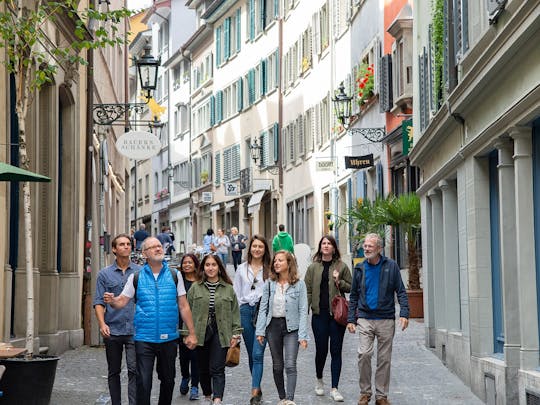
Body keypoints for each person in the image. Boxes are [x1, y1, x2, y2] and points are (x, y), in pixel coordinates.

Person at [104, 237, 198, 405]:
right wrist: (112, 301)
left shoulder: (175, 275)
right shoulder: (136, 277)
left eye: (159, 246)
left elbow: (183, 306)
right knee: (144, 383)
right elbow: (122, 301)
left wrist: (191, 333)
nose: (158, 249)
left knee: (168, 381)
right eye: (153, 247)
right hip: (144, 339)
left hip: (169, 338)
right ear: (144, 253)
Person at [347, 233, 409, 405]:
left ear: (379, 249)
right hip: (365, 318)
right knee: (364, 354)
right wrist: (351, 319)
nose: (366, 248)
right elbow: (353, 296)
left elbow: (401, 291)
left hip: (386, 319)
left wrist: (404, 313)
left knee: (384, 359)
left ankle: (381, 396)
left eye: (370, 246)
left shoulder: (391, 266)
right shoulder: (360, 268)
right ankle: (365, 392)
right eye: (365, 245)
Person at [187, 254, 242, 405]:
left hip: (221, 331)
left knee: (217, 367)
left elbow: (235, 312)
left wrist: (236, 333)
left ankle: (217, 399)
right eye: (207, 265)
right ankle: (207, 395)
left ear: (219, 268)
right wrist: (187, 334)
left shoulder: (228, 289)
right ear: (203, 268)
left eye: (213, 265)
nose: (210, 268)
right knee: (203, 368)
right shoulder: (195, 288)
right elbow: (187, 311)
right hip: (200, 332)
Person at [256, 251, 309, 405]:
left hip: (291, 328)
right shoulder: (269, 284)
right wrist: (260, 331)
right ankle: (282, 397)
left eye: (280, 260)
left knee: (290, 364)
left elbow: (303, 310)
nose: (276, 263)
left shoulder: (300, 284)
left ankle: (290, 400)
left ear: (288, 263)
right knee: (277, 365)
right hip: (273, 327)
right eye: (275, 261)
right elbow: (263, 309)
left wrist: (303, 336)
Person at [93, 233, 140, 405]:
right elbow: (98, 302)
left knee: (134, 370)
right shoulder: (104, 274)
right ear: (114, 249)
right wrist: (102, 323)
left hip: (135, 330)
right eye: (121, 244)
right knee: (114, 371)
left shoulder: (140, 272)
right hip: (113, 329)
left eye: (128, 244)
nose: (126, 247)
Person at [304, 235, 352, 402]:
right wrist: (306, 311)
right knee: (321, 350)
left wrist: (339, 281)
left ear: (333, 248)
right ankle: (319, 379)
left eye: (329, 243)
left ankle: (334, 388)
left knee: (336, 350)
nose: (326, 246)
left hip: (337, 316)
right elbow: (307, 290)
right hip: (319, 315)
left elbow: (351, 286)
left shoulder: (342, 266)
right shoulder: (313, 268)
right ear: (320, 247)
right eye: (323, 243)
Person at [233, 235, 272, 405]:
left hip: (263, 312)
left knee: (258, 353)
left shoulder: (271, 269)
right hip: (245, 312)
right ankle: (257, 387)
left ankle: (254, 391)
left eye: (260, 247)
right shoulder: (241, 269)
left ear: (265, 250)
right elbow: (236, 294)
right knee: (251, 354)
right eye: (254, 246)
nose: (257, 249)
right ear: (249, 249)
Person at [178, 253, 201, 400]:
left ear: (195, 264)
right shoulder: (178, 281)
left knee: (196, 356)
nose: (187, 265)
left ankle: (195, 386)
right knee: (184, 355)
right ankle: (185, 377)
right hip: (181, 323)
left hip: (198, 323)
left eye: (190, 262)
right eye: (185, 263)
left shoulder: (201, 281)